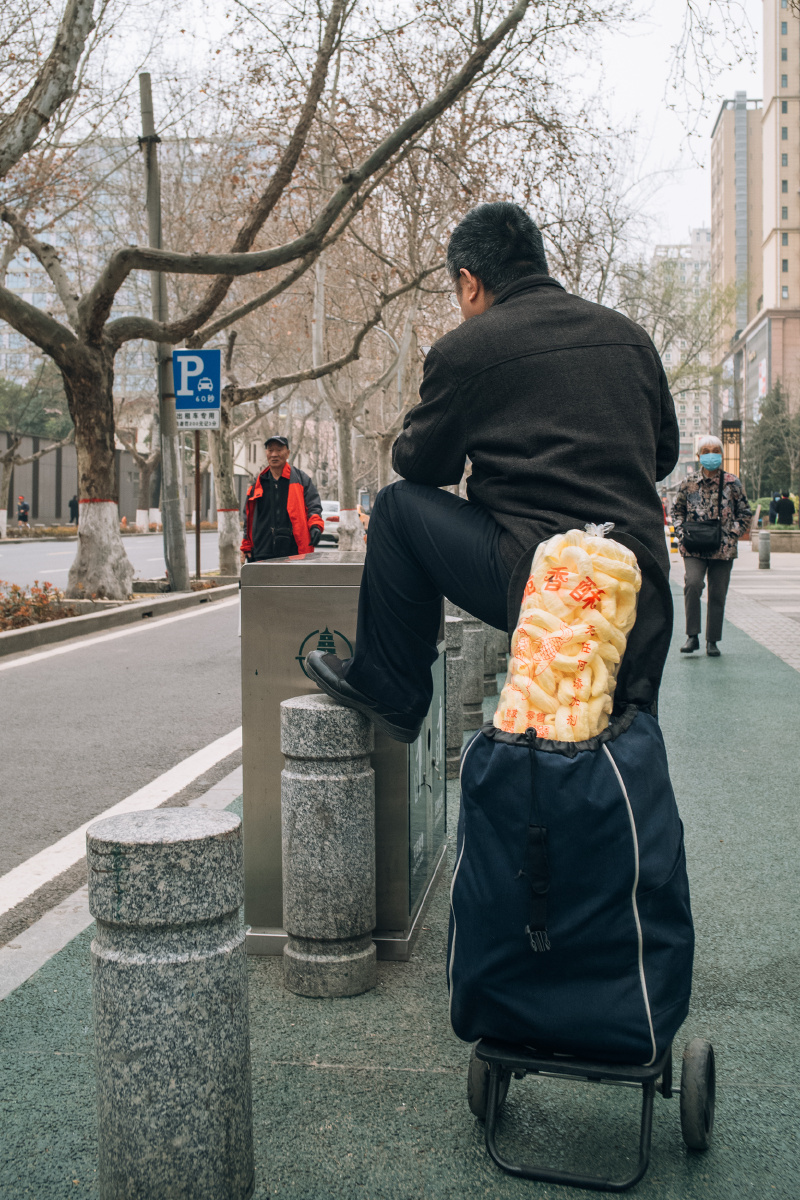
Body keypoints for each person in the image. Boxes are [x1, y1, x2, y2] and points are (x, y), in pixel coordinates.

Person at [305, 201, 679, 742]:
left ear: (469, 281)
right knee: (623, 733)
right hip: (636, 581)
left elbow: (420, 465)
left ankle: (390, 688)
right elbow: (662, 456)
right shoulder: (630, 337)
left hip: (539, 577)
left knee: (395, 507)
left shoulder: (467, 350)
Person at [672, 435, 752, 658]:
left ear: (722, 454)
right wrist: (681, 532)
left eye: (715, 450)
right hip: (693, 547)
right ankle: (692, 636)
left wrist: (732, 534)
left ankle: (712, 641)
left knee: (717, 594)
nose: (710, 455)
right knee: (693, 585)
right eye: (705, 451)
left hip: (723, 548)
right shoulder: (688, 483)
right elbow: (676, 511)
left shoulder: (732, 482)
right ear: (698, 456)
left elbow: (745, 513)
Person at [240, 435, 324, 563]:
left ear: (288, 453)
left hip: (294, 550)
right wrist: (246, 545)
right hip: (262, 549)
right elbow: (249, 517)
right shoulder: (258, 483)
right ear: (266, 453)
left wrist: (315, 527)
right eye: (270, 450)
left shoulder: (301, 479)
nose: (274, 454)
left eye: (279, 450)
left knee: (291, 582)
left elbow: (314, 507)